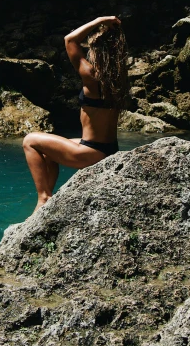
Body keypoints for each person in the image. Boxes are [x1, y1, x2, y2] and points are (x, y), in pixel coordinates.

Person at [22, 15, 129, 212]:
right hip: (108, 149)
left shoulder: (92, 76)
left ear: (97, 51)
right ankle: (49, 196)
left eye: (91, 49)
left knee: (30, 140)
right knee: (49, 152)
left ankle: (42, 198)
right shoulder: (119, 80)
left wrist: (99, 20)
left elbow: (69, 40)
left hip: (90, 154)